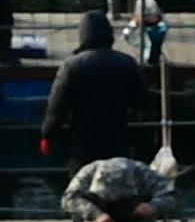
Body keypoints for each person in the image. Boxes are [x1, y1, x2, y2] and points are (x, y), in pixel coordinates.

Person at [40, 11, 146, 168]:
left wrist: (47, 135)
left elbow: (57, 108)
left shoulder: (71, 66)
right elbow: (141, 100)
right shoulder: (127, 63)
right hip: (117, 141)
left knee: (82, 188)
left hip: (83, 145)